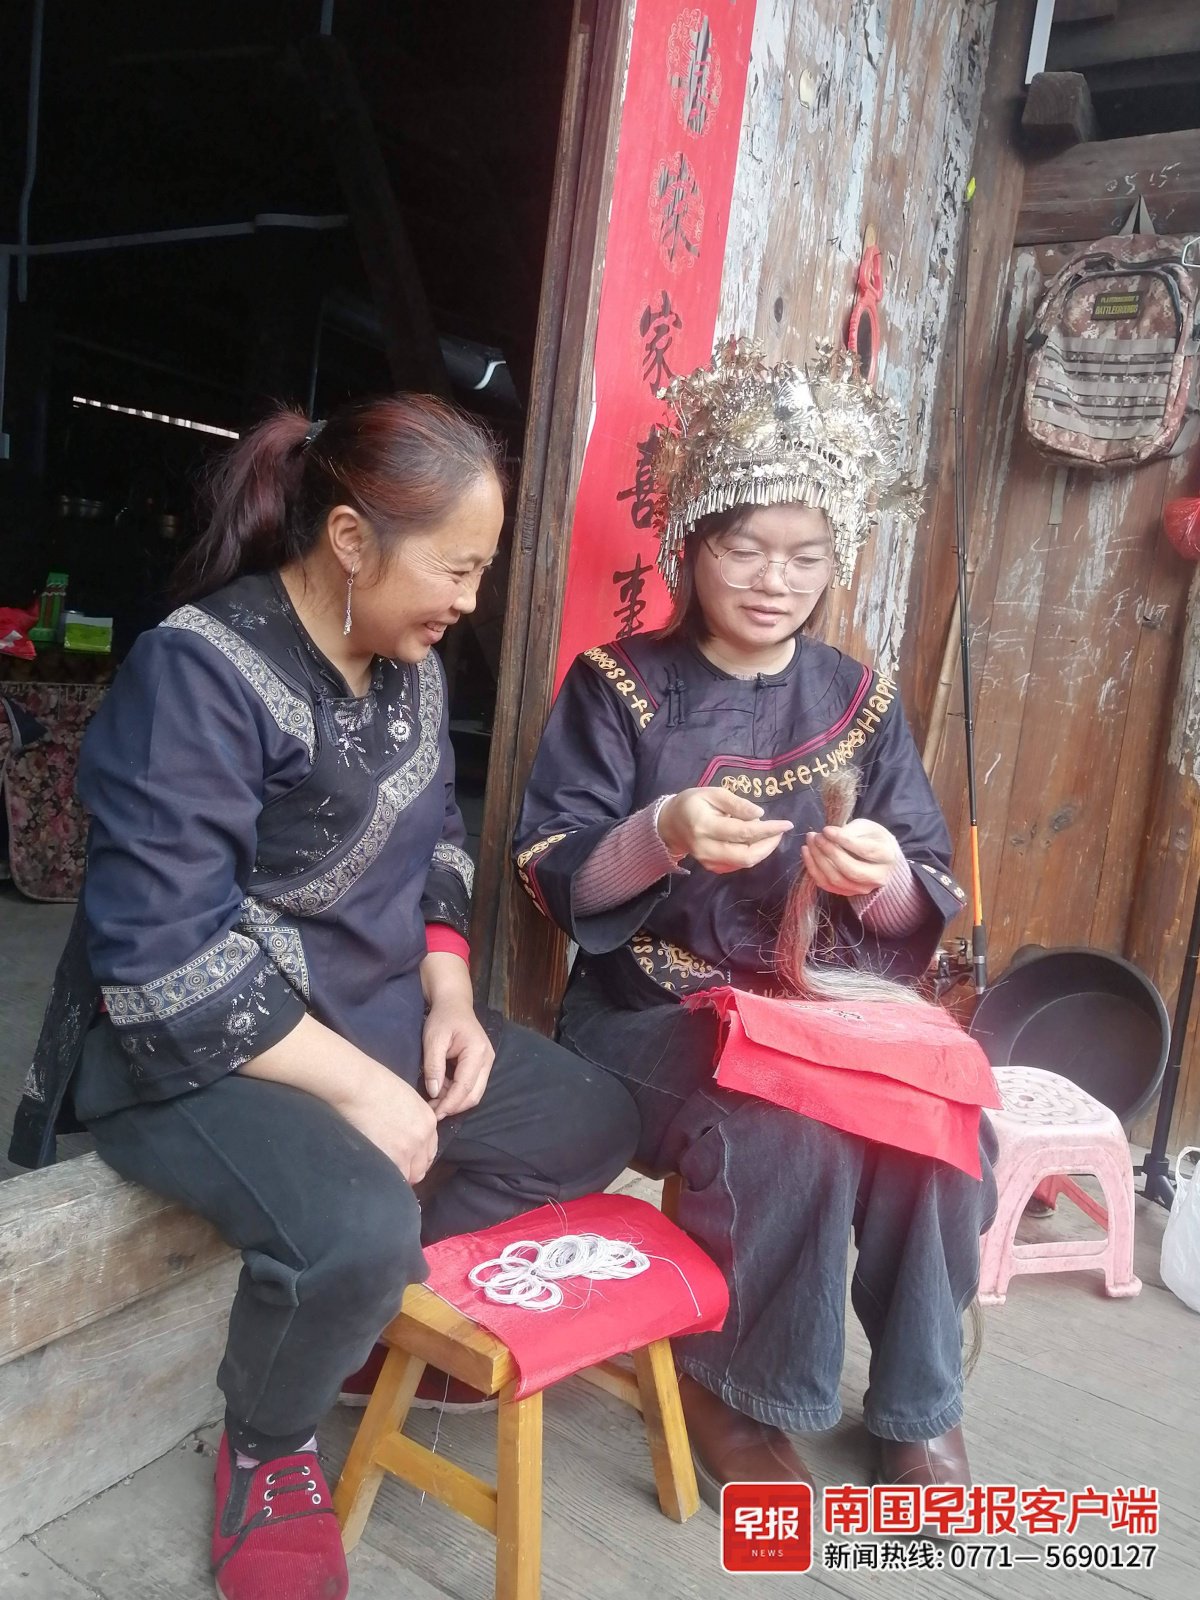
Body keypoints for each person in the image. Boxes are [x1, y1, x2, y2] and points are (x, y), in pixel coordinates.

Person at [12, 396, 639, 1600]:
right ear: (351, 540)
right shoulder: (198, 670)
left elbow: (438, 848)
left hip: (375, 1016)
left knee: (594, 1118)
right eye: (455, 566)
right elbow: (159, 964)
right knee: (358, 1226)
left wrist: (449, 998)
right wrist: (370, 1092)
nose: (468, 597)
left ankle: (352, 1330)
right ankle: (267, 1444)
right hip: (187, 1054)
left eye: (481, 568)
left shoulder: (403, 663)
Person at [514, 341, 997, 1506]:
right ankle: (738, 1387)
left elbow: (920, 877)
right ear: (691, 544)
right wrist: (665, 829)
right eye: (746, 548)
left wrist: (875, 875)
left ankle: (920, 1403)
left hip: (816, 1002)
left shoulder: (857, 697)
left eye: (808, 555)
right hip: (651, 1008)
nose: (776, 579)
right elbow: (552, 872)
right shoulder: (619, 684)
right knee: (795, 1120)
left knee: (937, 1105)